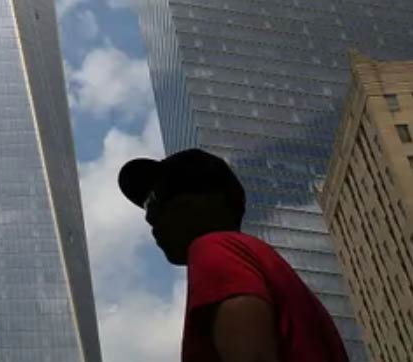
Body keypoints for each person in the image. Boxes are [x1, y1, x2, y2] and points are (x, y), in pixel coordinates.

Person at [118, 148, 348, 362]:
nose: (149, 218)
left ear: (204, 198)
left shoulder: (214, 248)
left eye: (154, 201)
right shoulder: (265, 263)